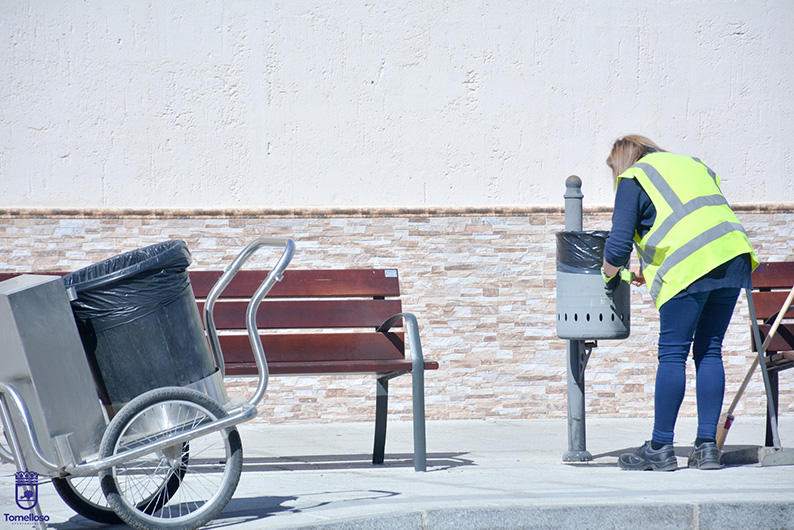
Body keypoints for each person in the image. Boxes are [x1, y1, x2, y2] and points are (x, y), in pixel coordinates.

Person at [601, 135, 758, 471]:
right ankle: (706, 449)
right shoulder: (693, 164)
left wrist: (609, 275)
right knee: (710, 349)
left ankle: (660, 446)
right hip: (732, 255)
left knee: (673, 353)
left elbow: (616, 248)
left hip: (690, 266)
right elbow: (689, 219)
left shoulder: (634, 177)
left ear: (623, 161)